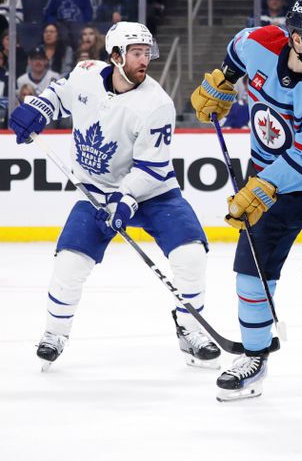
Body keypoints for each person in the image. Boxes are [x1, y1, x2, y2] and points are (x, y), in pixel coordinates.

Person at [190, 0, 302, 406]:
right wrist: (224, 79)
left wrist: (260, 187)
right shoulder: (259, 41)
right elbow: (237, 49)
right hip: (268, 178)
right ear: (295, 38)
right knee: (250, 280)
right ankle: (254, 358)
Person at [7, 22, 220, 370]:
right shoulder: (86, 73)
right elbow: (61, 94)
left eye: (147, 53)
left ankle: (190, 328)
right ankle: (54, 334)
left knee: (191, 254)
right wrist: (37, 109)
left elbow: (150, 169)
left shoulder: (157, 104)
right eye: (137, 53)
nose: (144, 60)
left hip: (154, 194)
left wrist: (126, 200)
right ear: (116, 55)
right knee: (69, 263)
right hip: (96, 194)